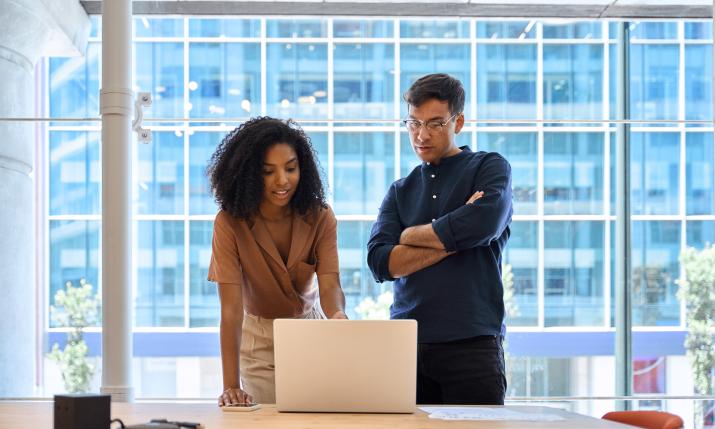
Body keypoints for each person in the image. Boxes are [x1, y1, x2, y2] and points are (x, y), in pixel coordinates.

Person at [367, 73, 513, 405]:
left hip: (472, 344)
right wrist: (457, 233)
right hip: (406, 346)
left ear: (457, 122)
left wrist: (410, 236)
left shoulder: (489, 167)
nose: (421, 135)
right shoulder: (400, 190)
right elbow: (380, 262)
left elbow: (484, 223)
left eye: (435, 124)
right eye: (413, 123)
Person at [207, 117, 347, 406]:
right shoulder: (229, 223)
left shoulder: (320, 216)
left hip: (310, 328)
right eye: (268, 171)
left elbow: (330, 284)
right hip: (259, 338)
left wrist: (338, 316)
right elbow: (231, 310)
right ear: (247, 174)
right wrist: (230, 385)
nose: (282, 181)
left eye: (291, 168)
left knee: (320, 417)